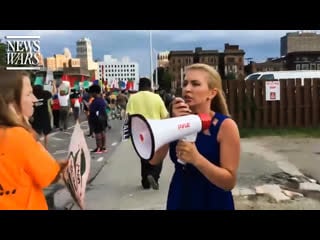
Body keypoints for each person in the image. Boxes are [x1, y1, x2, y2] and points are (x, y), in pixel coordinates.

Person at [150, 63, 240, 209]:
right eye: (185, 84)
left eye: (195, 84)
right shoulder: (175, 121)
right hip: (180, 198)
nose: (187, 89)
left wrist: (197, 159)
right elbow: (154, 160)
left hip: (212, 201)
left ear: (212, 93)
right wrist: (169, 124)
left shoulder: (225, 127)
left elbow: (229, 182)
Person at [0, 69, 68, 210]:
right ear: (11, 101)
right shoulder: (18, 136)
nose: (34, 100)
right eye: (28, 94)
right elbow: (49, 176)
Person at [126, 77, 169, 190]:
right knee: (158, 156)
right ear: (150, 86)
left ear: (139, 86)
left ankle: (145, 182)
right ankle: (154, 175)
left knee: (144, 156)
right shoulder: (157, 97)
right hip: (155, 131)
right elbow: (164, 115)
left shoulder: (133, 98)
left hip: (139, 133)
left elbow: (129, 116)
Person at [30, 84, 53, 149]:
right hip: (45, 116)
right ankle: (46, 148)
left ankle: (39, 147)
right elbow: (53, 93)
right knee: (46, 133)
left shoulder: (32, 96)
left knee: (37, 134)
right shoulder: (46, 94)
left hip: (36, 117)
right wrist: (53, 84)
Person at [88, 85, 108, 153]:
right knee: (102, 132)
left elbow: (92, 110)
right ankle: (104, 147)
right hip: (103, 118)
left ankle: (99, 147)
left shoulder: (95, 101)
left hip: (96, 119)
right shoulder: (102, 100)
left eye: (91, 92)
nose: (90, 94)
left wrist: (89, 107)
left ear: (95, 92)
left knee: (97, 133)